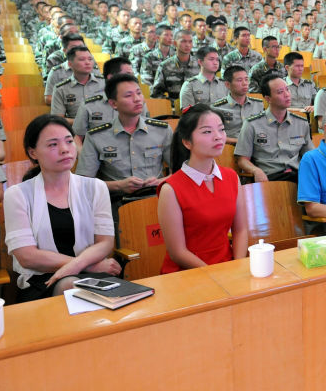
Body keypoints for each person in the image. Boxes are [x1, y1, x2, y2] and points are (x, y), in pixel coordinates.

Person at [3, 115, 121, 303]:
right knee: (71, 285)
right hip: (41, 280)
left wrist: (81, 266)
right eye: (53, 145)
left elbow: (105, 243)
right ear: (33, 152)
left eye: (69, 141)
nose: (65, 149)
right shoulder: (17, 195)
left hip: (95, 275)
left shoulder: (96, 187)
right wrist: (88, 266)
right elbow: (27, 257)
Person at [157, 105, 247, 274]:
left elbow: (240, 230)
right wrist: (213, 275)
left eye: (221, 130)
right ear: (187, 142)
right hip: (188, 274)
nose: (218, 137)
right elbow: (178, 252)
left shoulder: (231, 177)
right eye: (207, 132)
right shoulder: (170, 189)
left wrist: (238, 267)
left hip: (227, 267)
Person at [76, 74, 173, 215]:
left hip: (156, 198)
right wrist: (119, 185)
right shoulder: (96, 136)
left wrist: (161, 181)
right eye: (128, 96)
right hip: (116, 203)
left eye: (139, 93)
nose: (137, 99)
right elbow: (84, 183)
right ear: (113, 104)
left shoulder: (162, 130)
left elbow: (181, 172)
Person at [234, 73, 313, 183]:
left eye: (287, 90)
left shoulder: (301, 123)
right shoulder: (252, 124)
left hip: (297, 176)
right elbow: (242, 159)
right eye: (280, 92)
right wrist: (256, 171)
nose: (287, 95)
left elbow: (310, 155)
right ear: (268, 98)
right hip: (270, 178)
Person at [50, 46, 106, 125]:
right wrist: (83, 122)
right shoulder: (61, 88)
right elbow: (58, 119)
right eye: (82, 59)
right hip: (76, 131)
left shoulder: (105, 82)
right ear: (70, 64)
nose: (87, 62)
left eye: (90, 59)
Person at [212, 65, 264, 142]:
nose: (245, 83)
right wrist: (240, 142)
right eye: (239, 80)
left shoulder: (258, 104)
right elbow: (214, 135)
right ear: (227, 84)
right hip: (229, 149)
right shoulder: (217, 108)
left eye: (246, 79)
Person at [151, 30, 200, 99]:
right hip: (173, 107)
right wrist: (170, 104)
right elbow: (156, 93)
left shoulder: (200, 65)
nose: (187, 45)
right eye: (183, 41)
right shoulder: (165, 66)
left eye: (190, 41)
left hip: (197, 107)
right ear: (174, 43)